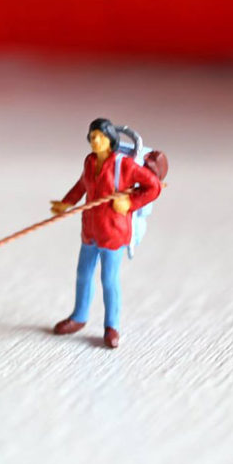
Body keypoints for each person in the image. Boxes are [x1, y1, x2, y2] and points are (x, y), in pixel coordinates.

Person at [50, 118, 161, 348]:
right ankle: (79, 317)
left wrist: (130, 202)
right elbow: (82, 185)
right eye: (92, 137)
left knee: (108, 280)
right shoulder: (90, 162)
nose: (95, 141)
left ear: (110, 140)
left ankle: (112, 326)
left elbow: (153, 186)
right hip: (90, 230)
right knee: (83, 274)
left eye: (100, 137)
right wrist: (66, 203)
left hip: (113, 233)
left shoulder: (124, 165)